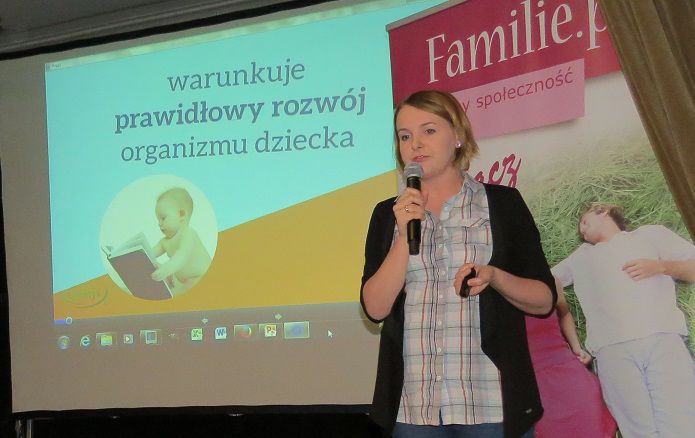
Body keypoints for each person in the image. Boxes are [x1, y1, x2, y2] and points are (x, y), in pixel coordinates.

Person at [360, 90, 556, 438]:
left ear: (459, 135)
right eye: (404, 136)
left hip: (490, 404)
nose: (415, 144)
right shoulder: (387, 215)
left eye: (429, 130)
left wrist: (494, 276)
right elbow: (374, 309)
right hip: (415, 409)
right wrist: (404, 236)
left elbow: (544, 300)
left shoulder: (503, 204)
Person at [552, 203, 695, 437]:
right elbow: (545, 282)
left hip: (662, 338)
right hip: (612, 350)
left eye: (584, 222)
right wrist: (573, 343)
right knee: (638, 430)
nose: (582, 230)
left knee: (682, 423)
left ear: (603, 210)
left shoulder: (649, 235)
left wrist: (661, 266)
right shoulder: (580, 257)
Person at [525, 282, 616, 437]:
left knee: (590, 425)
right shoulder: (495, 287)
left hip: (567, 369)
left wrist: (576, 347)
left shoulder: (549, 280)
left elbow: (565, 313)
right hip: (532, 380)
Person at [151, 187, 211, 295]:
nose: (159, 223)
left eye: (163, 218)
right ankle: (169, 283)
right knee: (168, 278)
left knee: (182, 289)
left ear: (181, 215)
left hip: (201, 277)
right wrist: (138, 256)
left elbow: (181, 256)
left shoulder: (188, 233)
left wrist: (165, 270)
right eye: (158, 219)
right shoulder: (164, 242)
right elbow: (150, 253)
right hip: (181, 280)